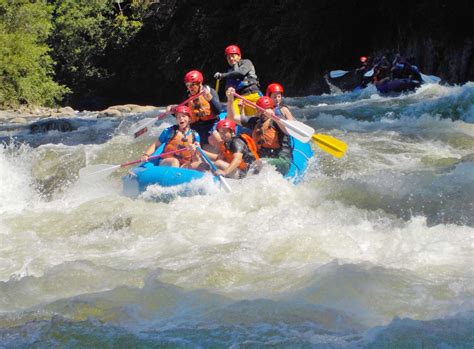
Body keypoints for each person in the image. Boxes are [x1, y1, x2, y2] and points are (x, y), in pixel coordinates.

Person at [226, 87, 292, 175]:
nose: (262, 113)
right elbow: (232, 117)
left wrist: (274, 117)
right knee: (248, 161)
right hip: (264, 159)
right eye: (260, 110)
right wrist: (230, 99)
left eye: (265, 110)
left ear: (272, 109)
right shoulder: (255, 122)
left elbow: (288, 130)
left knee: (259, 163)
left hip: (282, 160)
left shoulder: (278, 121)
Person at [168, 70, 222, 150]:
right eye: (187, 85)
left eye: (192, 85)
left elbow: (218, 111)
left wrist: (210, 99)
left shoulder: (210, 92)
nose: (190, 87)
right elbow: (182, 113)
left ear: (200, 83)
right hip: (195, 127)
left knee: (214, 137)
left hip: (211, 125)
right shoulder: (187, 96)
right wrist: (172, 109)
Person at [214, 45, 262, 116]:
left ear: (239, 56)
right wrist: (228, 91)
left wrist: (222, 75)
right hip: (239, 99)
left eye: (233, 56)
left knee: (261, 116)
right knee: (232, 115)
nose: (231, 59)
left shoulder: (247, 62)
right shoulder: (230, 72)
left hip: (253, 95)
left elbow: (241, 73)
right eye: (228, 57)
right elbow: (227, 89)